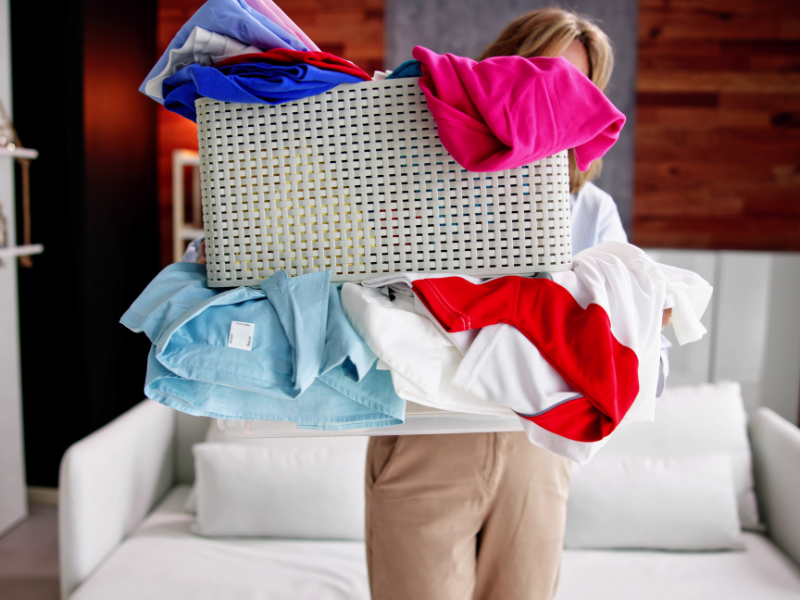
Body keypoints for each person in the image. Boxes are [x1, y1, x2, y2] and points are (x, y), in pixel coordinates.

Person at [365, 9, 649, 600]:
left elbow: (623, 325)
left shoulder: (590, 211)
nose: (554, 100)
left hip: (537, 445)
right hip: (429, 432)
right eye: (544, 76)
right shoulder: (408, 180)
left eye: (576, 88)